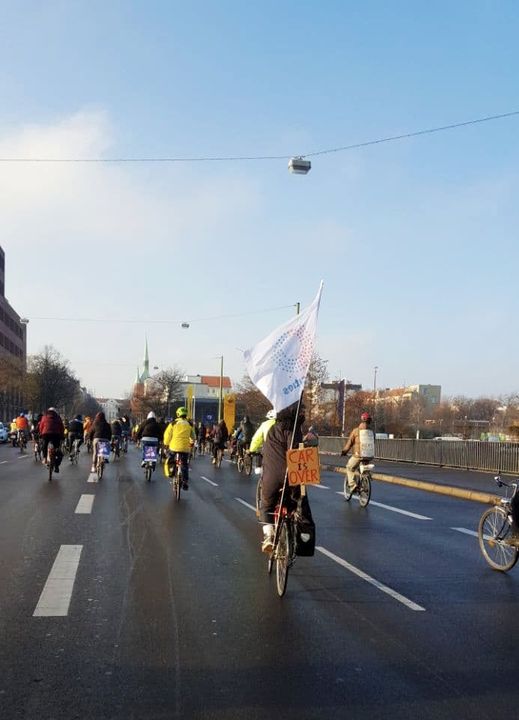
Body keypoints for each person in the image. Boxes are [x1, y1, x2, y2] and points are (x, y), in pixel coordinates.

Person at [260, 402, 305, 553]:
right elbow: (298, 454)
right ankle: (294, 522)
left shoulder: (272, 430)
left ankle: (269, 536)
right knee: (297, 500)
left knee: (267, 504)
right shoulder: (296, 431)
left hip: (271, 477)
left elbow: (266, 453)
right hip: (292, 477)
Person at [340, 412, 375, 493]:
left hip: (358, 455)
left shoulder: (356, 431)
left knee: (349, 467)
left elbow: (350, 443)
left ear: (361, 420)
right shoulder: (372, 432)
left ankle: (353, 486)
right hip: (369, 455)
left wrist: (344, 452)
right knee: (363, 469)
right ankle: (365, 481)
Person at [163, 407, 196, 489]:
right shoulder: (189, 425)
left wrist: (166, 444)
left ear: (178, 414)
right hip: (185, 448)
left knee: (171, 459)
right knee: (184, 464)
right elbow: (193, 436)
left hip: (174, 447)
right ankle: (185, 481)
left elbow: (167, 435)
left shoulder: (173, 423)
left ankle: (172, 472)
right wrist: (191, 443)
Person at [39, 408, 65, 472]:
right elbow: (62, 427)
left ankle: (45, 458)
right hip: (56, 435)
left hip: (45, 434)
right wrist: (62, 436)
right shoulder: (58, 417)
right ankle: (56, 466)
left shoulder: (44, 416)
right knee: (58, 451)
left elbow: (41, 426)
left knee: (44, 446)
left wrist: (41, 433)